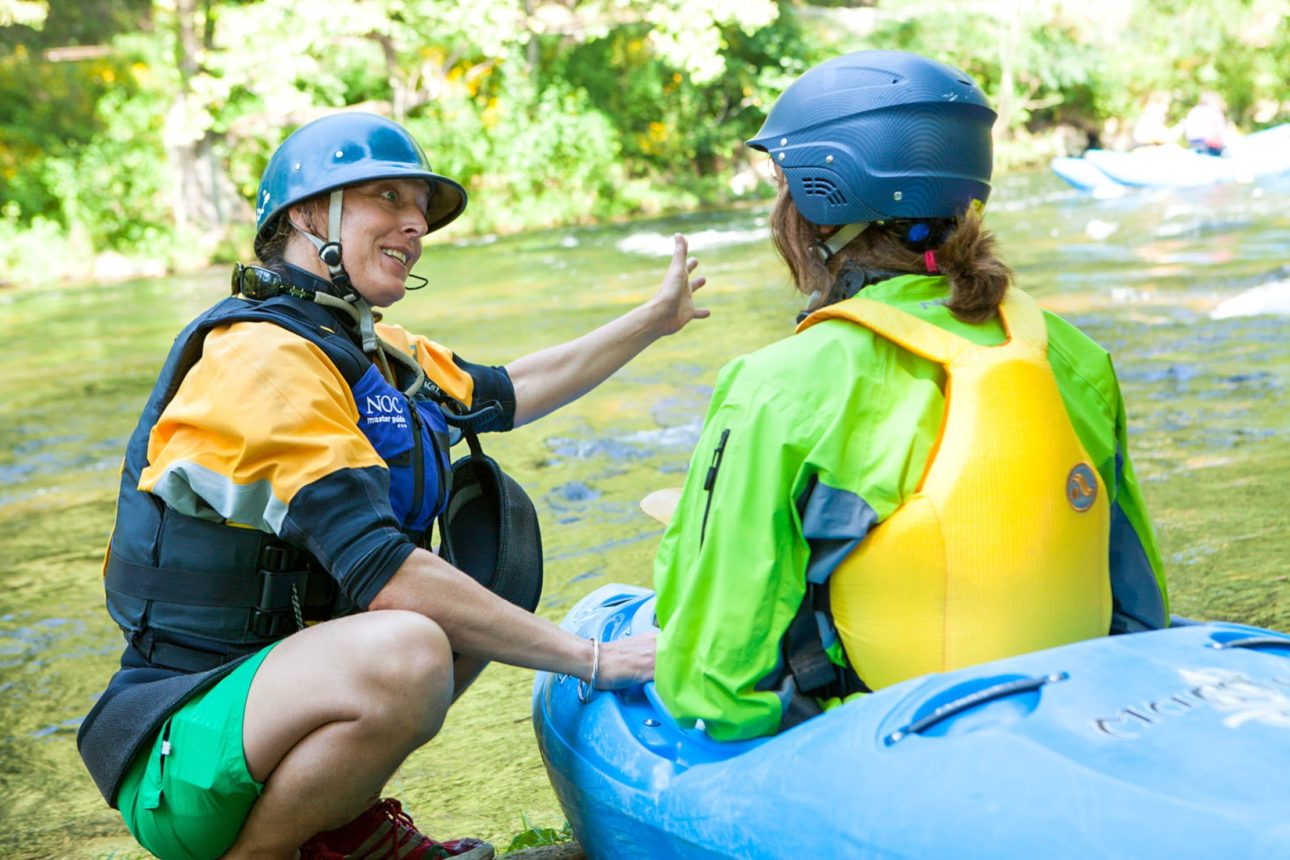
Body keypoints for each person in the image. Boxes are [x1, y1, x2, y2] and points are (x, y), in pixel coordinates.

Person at [77, 111, 708, 860]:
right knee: (410, 642)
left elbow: (513, 389)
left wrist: (653, 321)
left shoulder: (372, 351)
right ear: (308, 216)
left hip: (266, 725)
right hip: (182, 755)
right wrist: (597, 659)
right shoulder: (260, 361)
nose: (415, 225)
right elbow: (384, 575)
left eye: (420, 209)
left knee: (489, 578)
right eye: (387, 198)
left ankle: (338, 828)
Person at [652, 50, 1170, 742]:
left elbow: (713, 682)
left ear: (821, 203)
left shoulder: (775, 384)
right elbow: (1139, 608)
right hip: (1079, 708)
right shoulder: (1073, 354)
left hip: (889, 741)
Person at [1183, 92, 1229, 156]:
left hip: (1193, 143)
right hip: (1207, 145)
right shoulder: (1213, 110)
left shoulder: (1194, 110)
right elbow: (1221, 130)